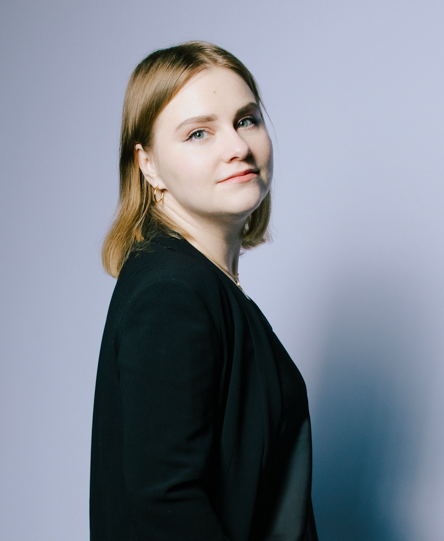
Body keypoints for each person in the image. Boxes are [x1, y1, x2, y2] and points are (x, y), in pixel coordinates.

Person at [90, 41, 318, 541]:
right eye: (199, 133)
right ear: (148, 164)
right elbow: (166, 503)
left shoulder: (205, 286)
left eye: (246, 120)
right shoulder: (172, 294)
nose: (237, 146)